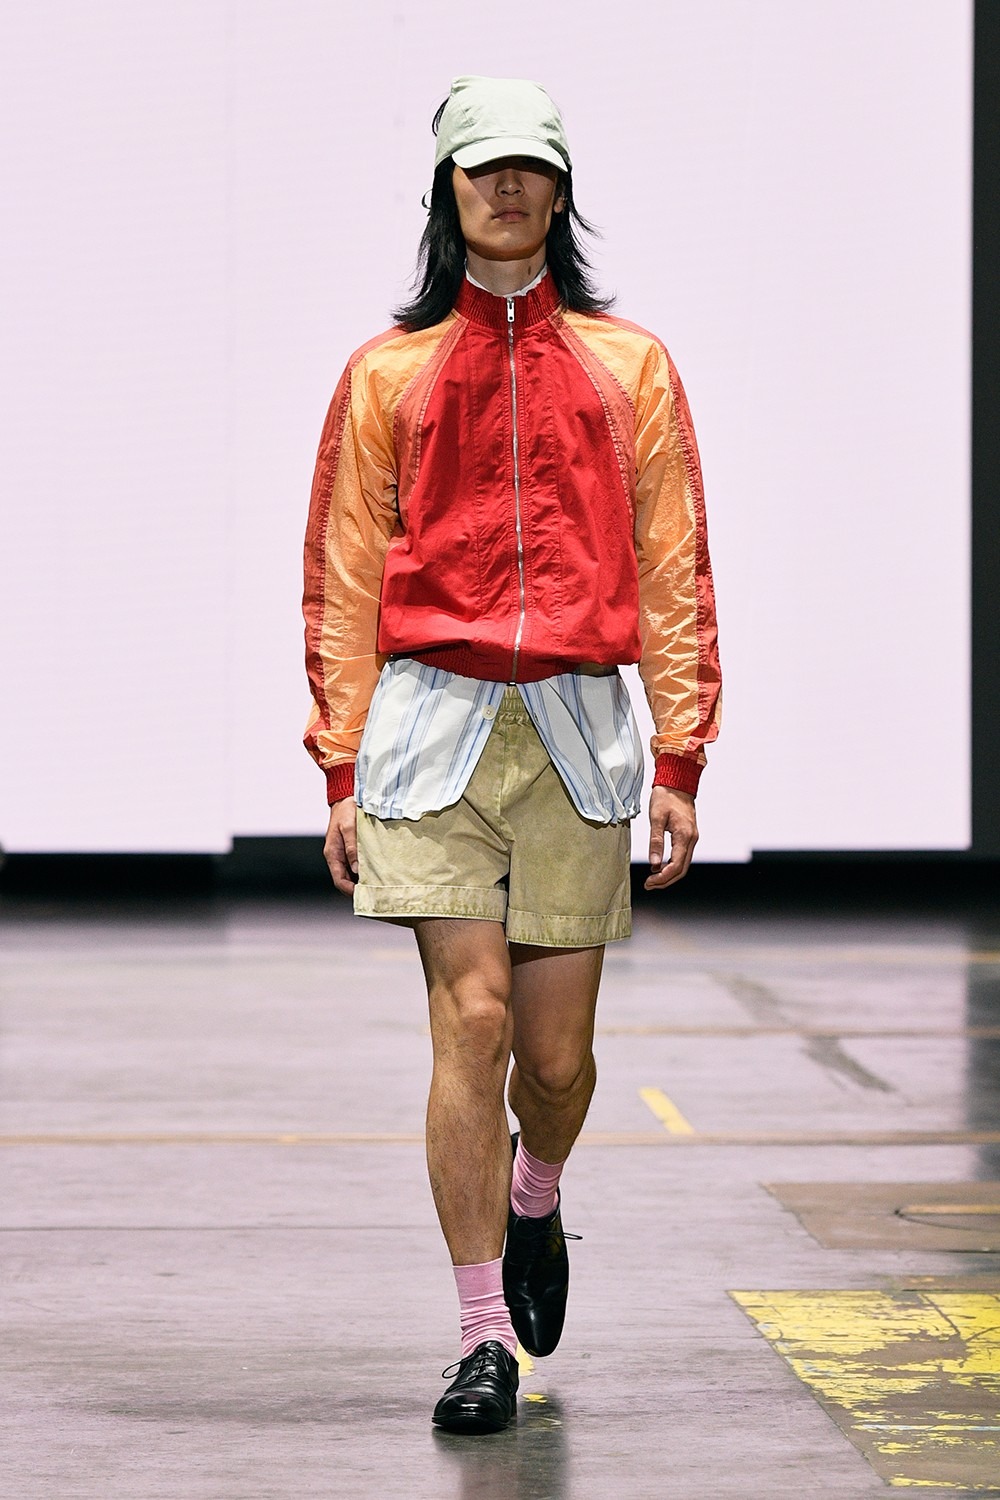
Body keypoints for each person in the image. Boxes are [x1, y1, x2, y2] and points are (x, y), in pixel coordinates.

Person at [303, 74, 721, 1435]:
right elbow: (343, 576)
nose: (507, 186)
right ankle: (482, 1335)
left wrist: (681, 755)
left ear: (559, 187)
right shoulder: (387, 375)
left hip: (577, 735)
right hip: (429, 729)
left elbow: (673, 564)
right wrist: (340, 766)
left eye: (529, 165)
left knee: (554, 1062)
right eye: (483, 166)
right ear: (449, 187)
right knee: (470, 1020)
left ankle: (537, 1195)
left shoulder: (629, 366)